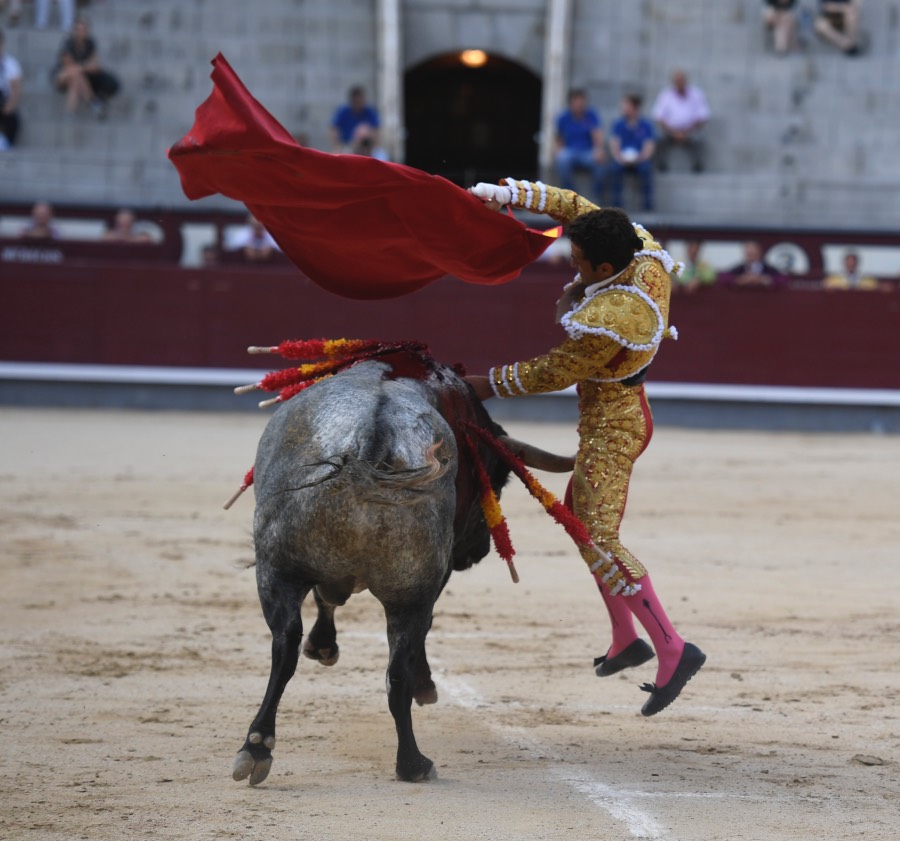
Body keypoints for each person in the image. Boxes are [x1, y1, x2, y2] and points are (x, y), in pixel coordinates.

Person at [466, 177, 706, 717]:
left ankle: (673, 647)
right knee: (579, 519)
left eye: (578, 263)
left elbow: (557, 369)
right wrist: (504, 196)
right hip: (613, 411)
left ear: (603, 270)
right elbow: (573, 206)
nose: (571, 266)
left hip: (616, 425)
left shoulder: (617, 318)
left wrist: (487, 382)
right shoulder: (635, 248)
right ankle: (626, 637)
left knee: (599, 534)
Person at [53, 16, 118, 117]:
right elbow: (69, 67)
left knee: (76, 80)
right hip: (63, 76)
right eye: (78, 29)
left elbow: (96, 66)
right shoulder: (68, 43)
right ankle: (93, 101)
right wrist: (85, 66)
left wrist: (81, 68)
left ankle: (69, 113)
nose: (80, 32)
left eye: (83, 29)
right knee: (75, 75)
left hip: (77, 78)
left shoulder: (90, 43)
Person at [651, 70, 710, 173]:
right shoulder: (666, 95)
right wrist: (674, 133)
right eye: (677, 81)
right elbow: (659, 117)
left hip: (691, 130)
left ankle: (697, 164)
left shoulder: (696, 94)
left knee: (699, 138)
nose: (680, 83)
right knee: (658, 137)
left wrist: (686, 132)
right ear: (673, 82)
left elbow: (702, 116)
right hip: (670, 131)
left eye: (681, 80)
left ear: (686, 81)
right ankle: (662, 164)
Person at [553, 88, 605, 201]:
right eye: (577, 102)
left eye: (582, 102)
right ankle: (571, 196)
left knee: (600, 164)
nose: (580, 105)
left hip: (587, 152)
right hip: (570, 151)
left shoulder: (591, 115)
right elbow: (559, 137)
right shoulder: (563, 118)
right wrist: (558, 151)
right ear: (571, 103)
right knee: (562, 159)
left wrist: (599, 150)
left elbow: (596, 134)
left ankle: (596, 197)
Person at [608, 94, 655, 212]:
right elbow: (614, 145)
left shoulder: (645, 125)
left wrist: (640, 158)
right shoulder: (619, 124)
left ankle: (647, 206)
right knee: (613, 169)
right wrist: (620, 158)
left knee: (646, 169)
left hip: (640, 160)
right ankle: (616, 206)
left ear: (634, 107)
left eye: (627, 105)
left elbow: (649, 146)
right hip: (622, 160)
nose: (624, 108)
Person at [329, 85, 385, 157]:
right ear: (352, 100)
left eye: (360, 100)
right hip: (349, 145)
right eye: (356, 101)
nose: (358, 103)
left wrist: (374, 146)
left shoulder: (370, 112)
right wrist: (337, 146)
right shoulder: (343, 112)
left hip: (368, 146)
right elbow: (333, 129)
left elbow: (377, 130)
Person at [0, 27, 22, 150]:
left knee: (13, 118)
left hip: (4, 101)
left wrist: (10, 105)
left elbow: (16, 88)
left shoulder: (10, 63)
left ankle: (5, 142)